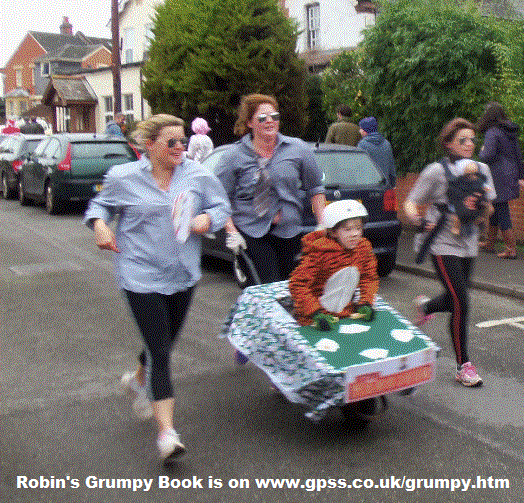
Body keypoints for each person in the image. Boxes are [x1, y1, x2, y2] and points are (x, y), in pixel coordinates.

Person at [85, 113, 230, 465]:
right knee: (162, 351)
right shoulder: (123, 177)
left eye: (183, 141)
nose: (180, 148)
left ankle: (138, 379)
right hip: (140, 276)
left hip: (183, 274)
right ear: (149, 146)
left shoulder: (197, 174)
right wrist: (101, 226)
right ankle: (168, 433)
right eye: (171, 143)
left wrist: (207, 219)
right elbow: (99, 205)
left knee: (163, 341)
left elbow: (221, 205)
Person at [402, 118, 494, 388]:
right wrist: (417, 221)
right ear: (448, 143)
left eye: (472, 140)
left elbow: (489, 209)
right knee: (462, 303)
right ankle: (463, 365)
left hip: (468, 241)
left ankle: (426, 306)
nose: (469, 144)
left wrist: (480, 210)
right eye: (462, 140)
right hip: (442, 242)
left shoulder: (483, 170)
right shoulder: (436, 171)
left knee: (457, 296)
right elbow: (411, 202)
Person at [215, 94, 325, 285]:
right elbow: (219, 197)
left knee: (291, 288)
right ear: (249, 122)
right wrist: (232, 232)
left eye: (274, 116)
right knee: (267, 285)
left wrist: (322, 222)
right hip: (250, 231)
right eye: (262, 118)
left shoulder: (297, 149)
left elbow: (315, 187)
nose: (269, 121)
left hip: (289, 230)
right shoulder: (233, 155)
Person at [288, 200, 379, 329]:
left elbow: (369, 277)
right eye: (347, 229)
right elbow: (298, 284)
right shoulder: (319, 253)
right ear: (333, 232)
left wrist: (366, 302)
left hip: (346, 314)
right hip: (315, 318)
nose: (355, 234)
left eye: (359, 228)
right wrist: (314, 312)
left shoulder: (363, 249)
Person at [477, 102, 524, 258]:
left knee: (502, 209)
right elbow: (518, 155)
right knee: (496, 208)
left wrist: (481, 151)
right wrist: (520, 176)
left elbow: (487, 155)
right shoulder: (509, 131)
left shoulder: (493, 132)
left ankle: (511, 249)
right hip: (510, 173)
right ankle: (490, 243)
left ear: (489, 115)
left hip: (498, 175)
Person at [357, 116, 396, 188]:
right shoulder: (386, 143)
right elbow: (391, 167)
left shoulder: (362, 145)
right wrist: (393, 184)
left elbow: (359, 167)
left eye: (361, 129)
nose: (359, 131)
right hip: (384, 186)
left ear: (365, 131)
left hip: (367, 186)